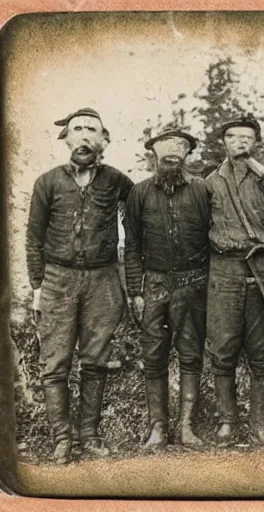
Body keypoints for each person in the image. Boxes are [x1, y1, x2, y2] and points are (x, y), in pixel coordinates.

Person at [26, 108, 133, 463]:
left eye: (92, 130)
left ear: (104, 140)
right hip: (58, 279)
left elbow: (139, 217)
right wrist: (37, 285)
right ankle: (62, 439)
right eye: (78, 129)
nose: (84, 136)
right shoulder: (48, 182)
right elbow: (33, 238)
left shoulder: (117, 181)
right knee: (55, 364)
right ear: (66, 138)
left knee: (96, 359)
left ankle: (89, 435)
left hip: (103, 280)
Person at [123, 128, 210, 448]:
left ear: (188, 154)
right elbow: (131, 246)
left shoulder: (202, 190)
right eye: (165, 146)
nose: (173, 150)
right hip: (155, 284)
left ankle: (187, 427)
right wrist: (136, 291)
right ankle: (158, 429)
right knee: (154, 357)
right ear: (154, 153)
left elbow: (213, 240)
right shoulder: (140, 193)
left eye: (180, 146)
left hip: (193, 284)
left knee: (191, 355)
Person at [205, 115, 264, 449]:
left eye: (247, 137)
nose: (240, 142)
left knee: (260, 351)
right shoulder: (208, 183)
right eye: (233, 137)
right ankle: (227, 422)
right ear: (222, 142)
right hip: (223, 269)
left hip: (263, 268)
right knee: (222, 350)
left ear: (255, 143)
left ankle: (259, 427)